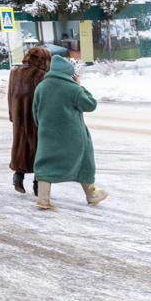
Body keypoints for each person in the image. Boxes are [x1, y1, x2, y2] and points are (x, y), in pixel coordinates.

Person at [32, 54, 108, 210]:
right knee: (85, 163)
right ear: (68, 73)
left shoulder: (41, 87)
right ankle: (92, 196)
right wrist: (80, 86)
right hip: (73, 136)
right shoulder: (73, 88)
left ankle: (43, 199)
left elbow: (35, 112)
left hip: (47, 135)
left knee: (46, 164)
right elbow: (90, 105)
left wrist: (44, 128)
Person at [7, 45, 52, 195]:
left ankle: (18, 176)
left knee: (21, 146)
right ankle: (37, 184)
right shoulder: (42, 75)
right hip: (36, 118)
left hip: (19, 116)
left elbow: (10, 95)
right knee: (39, 150)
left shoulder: (14, 72)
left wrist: (12, 114)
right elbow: (45, 98)